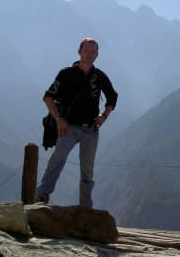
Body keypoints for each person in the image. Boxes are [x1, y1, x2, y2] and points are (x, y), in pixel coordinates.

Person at [36, 37, 118, 208]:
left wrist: (104, 115)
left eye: (93, 51)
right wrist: (59, 119)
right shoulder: (66, 74)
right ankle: (41, 197)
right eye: (86, 50)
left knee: (87, 171)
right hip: (68, 127)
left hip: (91, 130)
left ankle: (85, 207)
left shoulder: (100, 76)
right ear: (79, 51)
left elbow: (112, 97)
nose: (90, 54)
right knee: (57, 160)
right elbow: (48, 96)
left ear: (97, 54)